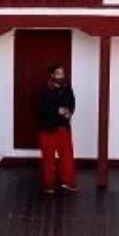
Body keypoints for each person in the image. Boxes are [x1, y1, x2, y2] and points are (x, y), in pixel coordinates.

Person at [36, 63, 78, 194]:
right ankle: (49, 185)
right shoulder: (44, 90)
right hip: (47, 128)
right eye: (58, 73)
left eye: (62, 73)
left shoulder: (67, 88)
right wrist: (57, 110)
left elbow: (72, 103)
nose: (61, 76)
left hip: (62, 127)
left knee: (67, 156)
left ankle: (68, 182)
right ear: (52, 75)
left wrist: (69, 112)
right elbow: (41, 108)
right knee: (48, 158)